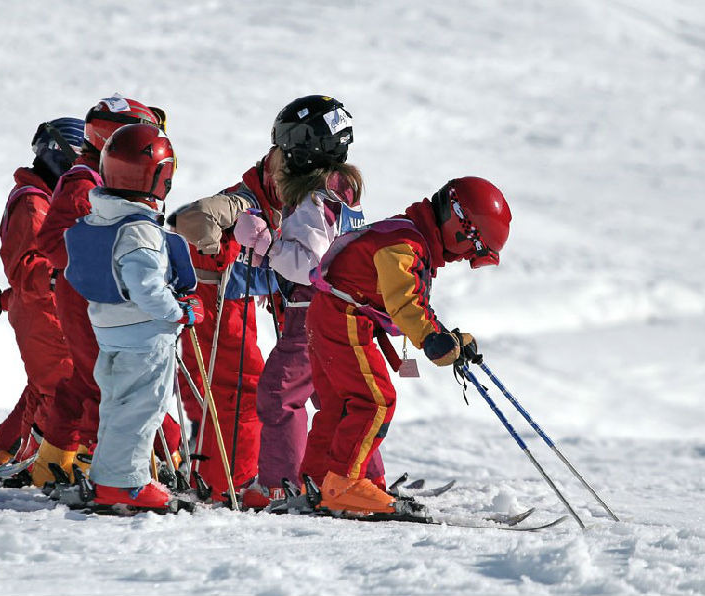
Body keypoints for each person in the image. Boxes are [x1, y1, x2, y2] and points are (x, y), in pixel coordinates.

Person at [298, 176, 512, 514]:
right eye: (471, 249)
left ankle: (318, 481)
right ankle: (343, 484)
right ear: (459, 226)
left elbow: (411, 301)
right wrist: (431, 339)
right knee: (375, 400)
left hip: (333, 315)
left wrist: (449, 336)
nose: (464, 259)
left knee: (341, 405)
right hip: (344, 317)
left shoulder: (410, 237)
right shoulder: (403, 244)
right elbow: (406, 303)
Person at [232, 95, 385, 508]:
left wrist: (267, 244)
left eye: (286, 143)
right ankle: (364, 477)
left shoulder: (315, 199)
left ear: (305, 147)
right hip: (336, 309)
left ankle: (280, 484)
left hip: (310, 311)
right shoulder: (340, 189)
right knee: (336, 397)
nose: (280, 153)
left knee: (279, 395)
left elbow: (312, 264)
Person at [31, 95, 181, 487]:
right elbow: (52, 241)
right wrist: (101, 261)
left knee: (89, 377)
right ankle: (100, 463)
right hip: (89, 292)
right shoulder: (85, 182)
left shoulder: (96, 178)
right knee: (105, 377)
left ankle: (56, 461)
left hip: (93, 289)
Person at [63, 123, 201, 509]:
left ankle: (110, 476)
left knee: (117, 404)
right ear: (160, 177)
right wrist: (180, 313)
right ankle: (125, 484)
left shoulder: (99, 218)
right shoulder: (140, 230)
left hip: (107, 327)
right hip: (144, 333)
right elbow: (146, 288)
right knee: (143, 407)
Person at [169, 146, 283, 503]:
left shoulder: (271, 200)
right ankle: (231, 481)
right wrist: (213, 245)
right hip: (219, 296)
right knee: (242, 385)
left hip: (227, 296)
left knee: (218, 386)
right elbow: (193, 217)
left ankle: (212, 471)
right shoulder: (243, 201)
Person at [0, 118, 83, 467]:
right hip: (43, 315)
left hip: (45, 310)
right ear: (57, 156)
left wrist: (0, 301)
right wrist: (69, 276)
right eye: (78, 159)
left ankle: (8, 449)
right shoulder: (34, 204)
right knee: (63, 391)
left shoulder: (46, 199)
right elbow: (27, 269)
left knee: (42, 389)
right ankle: (38, 462)